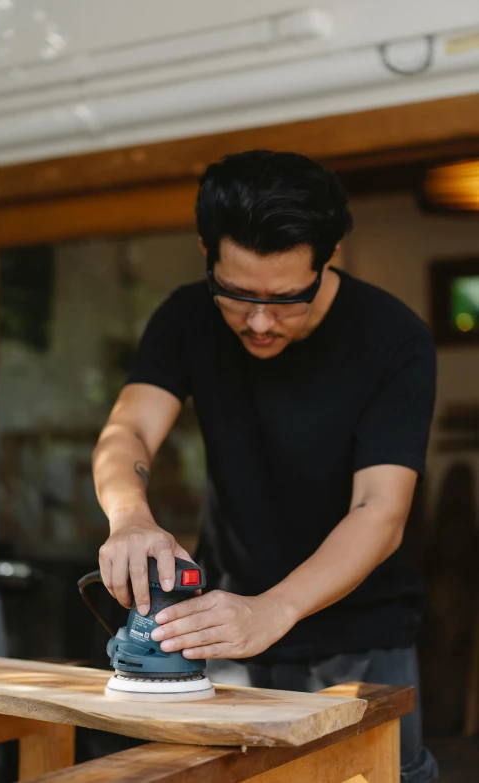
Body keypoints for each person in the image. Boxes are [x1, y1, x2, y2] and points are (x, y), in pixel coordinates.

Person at [94, 150, 438, 782]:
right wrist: (130, 517)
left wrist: (272, 610)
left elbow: (380, 511)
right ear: (205, 250)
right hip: (221, 625)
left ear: (328, 257)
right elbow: (130, 429)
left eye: (285, 300)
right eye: (236, 294)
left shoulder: (395, 339)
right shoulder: (185, 316)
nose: (257, 322)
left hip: (360, 640)